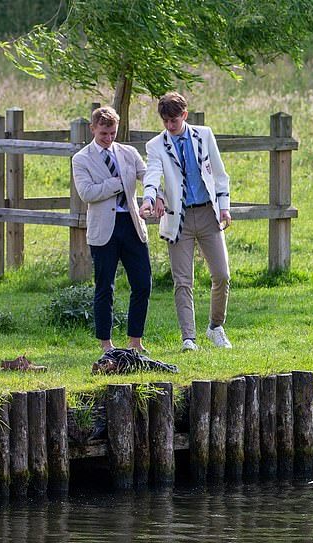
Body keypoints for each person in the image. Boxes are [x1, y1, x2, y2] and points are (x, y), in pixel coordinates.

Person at [140, 92, 232, 352]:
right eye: (166, 121)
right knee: (183, 280)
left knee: (222, 275)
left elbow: (220, 173)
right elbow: (153, 174)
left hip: (207, 213)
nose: (170, 126)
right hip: (177, 217)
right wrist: (150, 197)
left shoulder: (204, 135)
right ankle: (188, 338)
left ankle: (216, 327)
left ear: (185, 115)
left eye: (174, 120)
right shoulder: (155, 146)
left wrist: (224, 208)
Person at [72, 106, 152, 353]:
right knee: (105, 286)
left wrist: (152, 197)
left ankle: (135, 341)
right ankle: (106, 343)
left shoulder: (128, 153)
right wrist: (116, 184)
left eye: (112, 133)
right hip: (104, 229)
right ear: (93, 129)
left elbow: (147, 175)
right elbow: (87, 193)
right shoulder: (81, 159)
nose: (108, 138)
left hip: (131, 223)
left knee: (142, 283)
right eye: (104, 133)